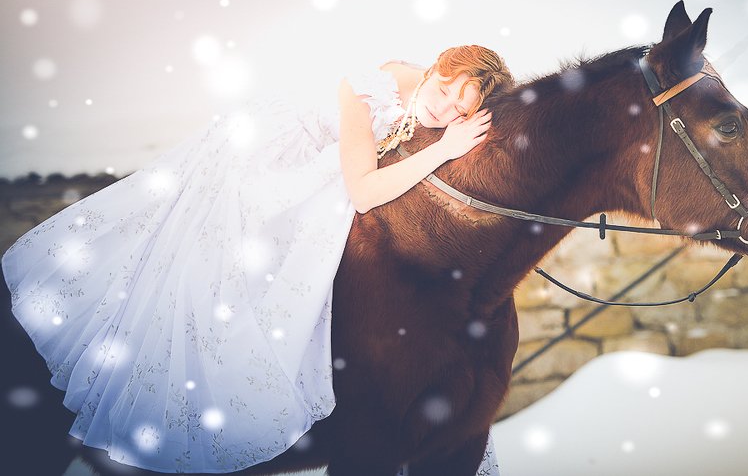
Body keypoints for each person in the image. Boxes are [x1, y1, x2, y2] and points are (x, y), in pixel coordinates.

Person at [1, 45, 514, 474]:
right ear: (433, 72)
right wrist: (444, 149)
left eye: (459, 112)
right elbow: (362, 190)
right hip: (267, 160)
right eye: (444, 91)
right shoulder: (367, 89)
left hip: (331, 166)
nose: (443, 111)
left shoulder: (440, 114)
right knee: (262, 252)